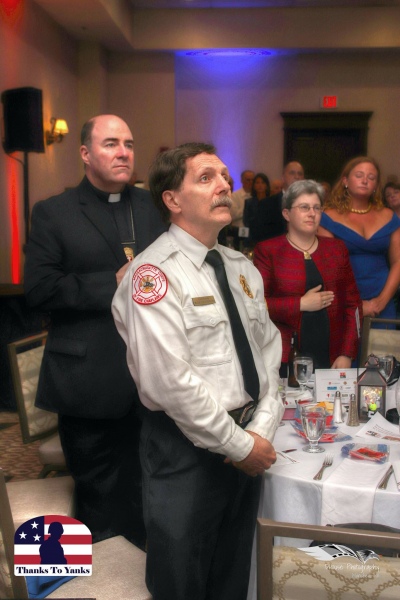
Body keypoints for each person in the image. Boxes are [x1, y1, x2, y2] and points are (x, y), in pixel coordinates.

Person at [112, 142, 283, 600]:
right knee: (181, 579)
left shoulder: (241, 267)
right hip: (186, 453)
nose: (224, 185)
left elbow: (268, 352)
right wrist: (240, 445)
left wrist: (260, 430)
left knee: (232, 576)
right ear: (172, 199)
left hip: (247, 444)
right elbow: (170, 382)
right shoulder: (152, 274)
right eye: (206, 178)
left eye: (224, 176)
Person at [24, 114, 166, 547]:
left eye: (129, 143)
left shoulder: (154, 207)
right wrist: (113, 282)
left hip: (153, 382)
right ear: (85, 153)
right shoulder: (54, 212)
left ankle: (145, 575)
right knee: (99, 505)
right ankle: (98, 578)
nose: (123, 152)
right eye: (110, 144)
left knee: (150, 495)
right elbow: (39, 290)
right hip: (88, 384)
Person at [254, 180, 362, 374]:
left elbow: (352, 305)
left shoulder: (336, 249)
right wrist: (301, 304)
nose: (312, 213)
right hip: (284, 357)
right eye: (304, 207)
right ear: (286, 214)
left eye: (317, 208)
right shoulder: (268, 251)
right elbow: (257, 305)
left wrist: (347, 353)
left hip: (333, 356)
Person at [319, 156, 400, 320]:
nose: (365, 181)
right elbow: (328, 268)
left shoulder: (389, 216)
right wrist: (355, 304)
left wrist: (381, 301)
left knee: (382, 337)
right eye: (359, 175)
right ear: (345, 181)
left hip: (384, 298)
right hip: (342, 299)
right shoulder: (328, 217)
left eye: (371, 177)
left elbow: (398, 261)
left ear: (376, 185)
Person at [250, 160, 304, 243]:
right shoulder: (267, 204)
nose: (297, 177)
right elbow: (258, 234)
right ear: (283, 177)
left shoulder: (310, 205)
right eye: (292, 173)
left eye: (300, 174)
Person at [243, 172, 271, 245]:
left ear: (266, 185)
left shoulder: (272, 201)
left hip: (268, 236)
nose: (260, 185)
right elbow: (246, 221)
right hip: (252, 237)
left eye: (263, 182)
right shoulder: (249, 202)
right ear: (254, 186)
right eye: (257, 183)